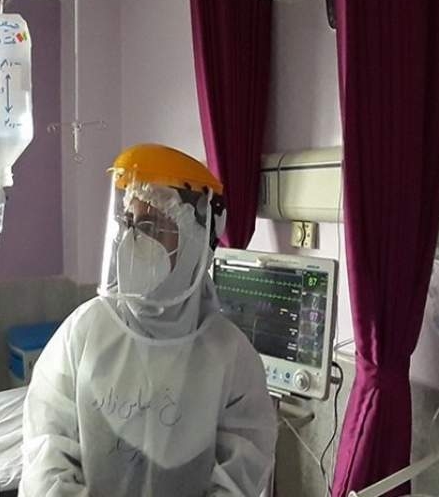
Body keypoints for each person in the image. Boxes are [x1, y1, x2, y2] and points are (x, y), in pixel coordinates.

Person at [20, 143, 277, 497]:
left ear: (194, 242)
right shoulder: (84, 331)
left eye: (151, 226)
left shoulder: (230, 356)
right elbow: (47, 450)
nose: (131, 240)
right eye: (128, 223)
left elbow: (241, 473)